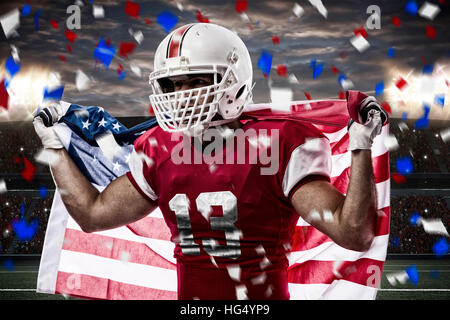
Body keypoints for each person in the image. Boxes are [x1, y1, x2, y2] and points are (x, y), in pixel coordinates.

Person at [33, 23, 386, 300]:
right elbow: (92, 214)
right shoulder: (159, 147)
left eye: (195, 82)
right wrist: (54, 149)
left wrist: (359, 149)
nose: (180, 96)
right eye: (171, 85)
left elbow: (353, 233)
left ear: (232, 83)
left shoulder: (278, 144)